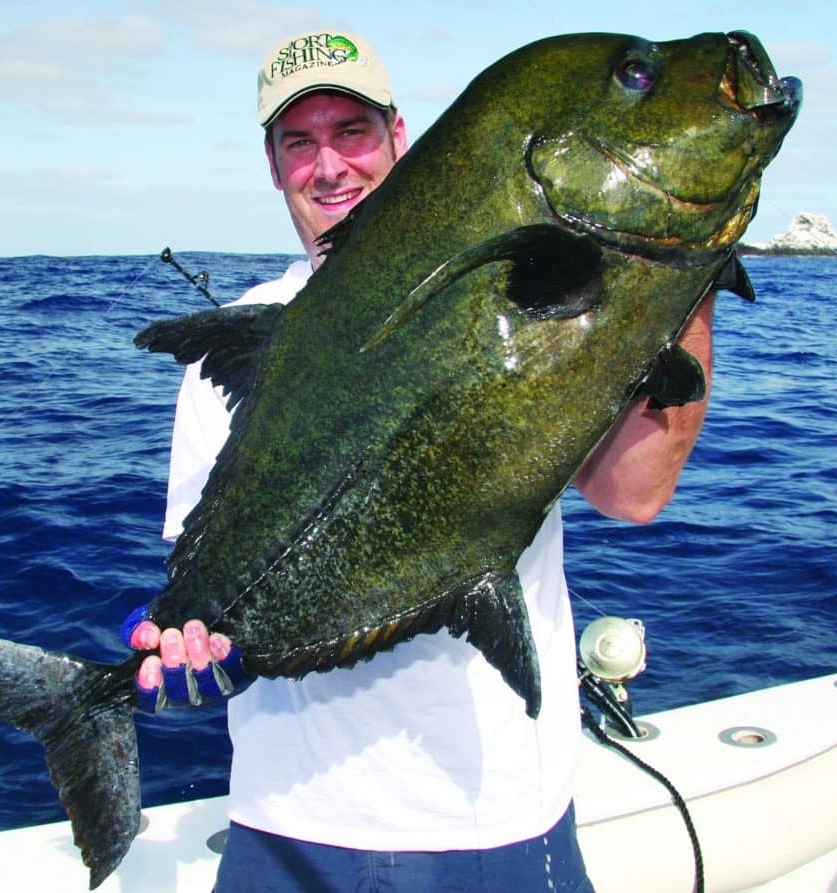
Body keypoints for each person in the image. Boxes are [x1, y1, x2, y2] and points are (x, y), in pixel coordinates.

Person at [125, 28, 715, 892]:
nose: (329, 166)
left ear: (401, 139)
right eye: (300, 142)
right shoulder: (248, 338)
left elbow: (632, 494)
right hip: (285, 821)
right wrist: (184, 656)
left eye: (352, 133)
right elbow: (210, 588)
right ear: (273, 162)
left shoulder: (518, 286)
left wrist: (677, 269)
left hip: (495, 814)